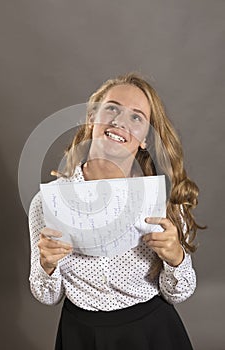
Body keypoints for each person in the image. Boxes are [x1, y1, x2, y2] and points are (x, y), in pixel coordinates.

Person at [28, 73, 204, 349]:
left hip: (151, 333)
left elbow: (178, 293)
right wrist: (47, 266)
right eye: (112, 108)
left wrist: (176, 257)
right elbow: (47, 296)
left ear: (145, 138)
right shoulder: (47, 203)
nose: (120, 122)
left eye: (136, 117)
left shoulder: (162, 201)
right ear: (91, 119)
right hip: (80, 336)